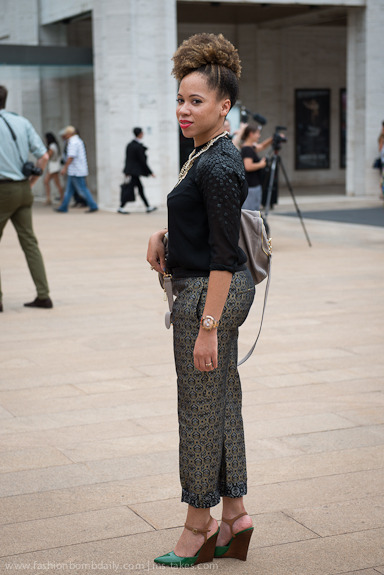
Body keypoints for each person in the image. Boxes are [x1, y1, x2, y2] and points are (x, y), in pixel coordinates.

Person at [147, 33, 255, 568]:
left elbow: (223, 253)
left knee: (198, 410)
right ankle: (236, 514)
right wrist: (163, 238)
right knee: (222, 400)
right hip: (211, 286)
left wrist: (208, 325)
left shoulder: (216, 164)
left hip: (210, 294)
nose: (184, 110)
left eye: (196, 101)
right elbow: (202, 228)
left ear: (223, 105)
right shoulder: (207, 153)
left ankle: (199, 525)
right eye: (181, 99)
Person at [0, 85, 53, 312]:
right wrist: (31, 183)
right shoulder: (21, 121)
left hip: (2, 190)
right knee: (30, 243)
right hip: (23, 189)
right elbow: (43, 156)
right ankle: (43, 295)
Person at [55, 125, 98, 213]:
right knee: (69, 190)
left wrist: (64, 168)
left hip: (76, 171)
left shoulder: (73, 142)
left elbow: (71, 157)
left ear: (69, 134)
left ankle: (93, 205)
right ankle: (63, 207)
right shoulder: (77, 141)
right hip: (75, 170)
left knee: (82, 189)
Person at [119, 127, 157, 214]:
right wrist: (150, 172)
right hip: (134, 172)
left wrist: (127, 171)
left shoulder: (129, 145)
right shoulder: (138, 146)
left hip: (130, 171)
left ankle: (148, 206)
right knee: (131, 189)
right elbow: (142, 161)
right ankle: (121, 207)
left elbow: (128, 159)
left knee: (139, 189)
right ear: (140, 134)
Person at [241, 124, 267, 211]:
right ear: (251, 134)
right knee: (251, 213)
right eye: (257, 133)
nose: (259, 136)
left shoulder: (251, 147)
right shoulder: (247, 149)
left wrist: (273, 139)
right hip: (251, 187)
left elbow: (262, 146)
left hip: (253, 186)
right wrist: (261, 164)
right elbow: (248, 166)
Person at [44, 132, 63, 205]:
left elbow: (48, 155)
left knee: (56, 183)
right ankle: (48, 198)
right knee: (46, 181)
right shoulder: (55, 145)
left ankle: (61, 198)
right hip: (53, 165)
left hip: (53, 166)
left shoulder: (52, 146)